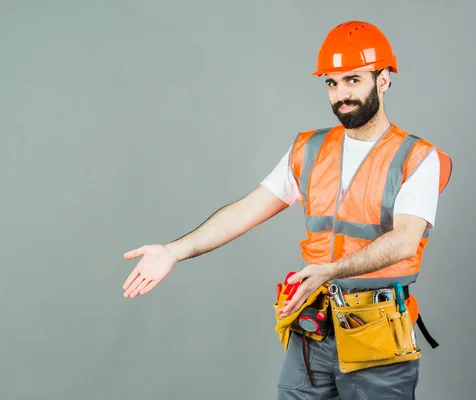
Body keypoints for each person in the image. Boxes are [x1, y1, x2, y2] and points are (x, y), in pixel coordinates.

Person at [122, 20, 452, 399]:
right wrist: (173, 251)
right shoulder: (309, 149)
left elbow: (405, 242)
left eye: (353, 80)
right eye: (331, 83)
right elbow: (246, 209)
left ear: (383, 80)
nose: (341, 94)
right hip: (312, 328)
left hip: (377, 333)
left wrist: (329, 271)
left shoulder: (418, 157)